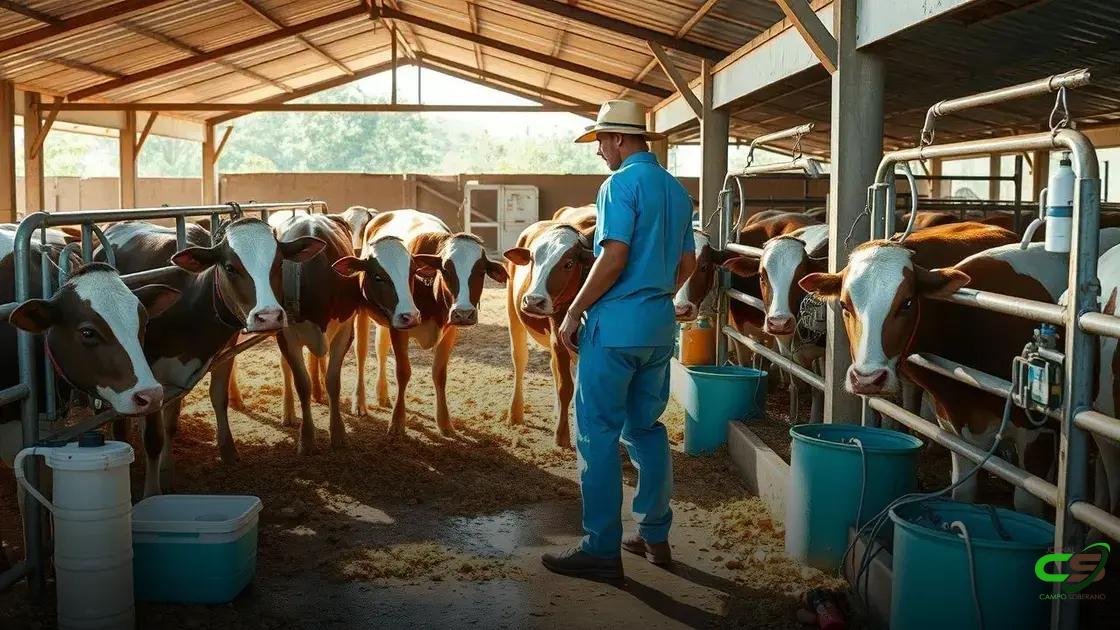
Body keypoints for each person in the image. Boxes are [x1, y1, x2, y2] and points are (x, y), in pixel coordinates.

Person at [541, 100, 697, 579]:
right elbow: (689, 264)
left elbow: (613, 256)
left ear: (619, 139)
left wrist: (575, 308)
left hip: (614, 332)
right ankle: (653, 535)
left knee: (597, 434)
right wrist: (656, 295)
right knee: (646, 429)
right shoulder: (674, 189)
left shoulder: (618, 185)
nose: (599, 153)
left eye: (601, 143)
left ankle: (601, 547)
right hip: (657, 328)